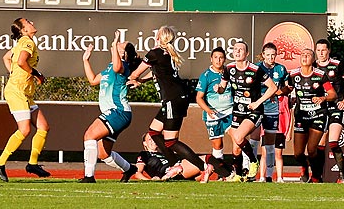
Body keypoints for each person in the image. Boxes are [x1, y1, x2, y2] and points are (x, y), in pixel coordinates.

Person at [142, 26, 204, 176]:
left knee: (171, 141)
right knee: (154, 131)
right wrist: (140, 81)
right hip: (177, 98)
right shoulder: (167, 53)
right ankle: (174, 164)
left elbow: (137, 71)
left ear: (159, 36)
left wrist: (131, 78)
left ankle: (203, 166)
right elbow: (159, 75)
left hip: (172, 99)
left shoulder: (154, 53)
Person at [0, 16, 50, 180]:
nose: (32, 22)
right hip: (17, 91)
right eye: (28, 23)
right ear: (24, 30)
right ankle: (0, 162)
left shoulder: (22, 42)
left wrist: (13, 73)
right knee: (24, 129)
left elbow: (6, 58)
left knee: (43, 127)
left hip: (25, 92)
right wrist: (37, 74)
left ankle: (32, 164)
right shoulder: (27, 42)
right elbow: (21, 61)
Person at [80, 43, 142, 182]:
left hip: (118, 112)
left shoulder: (123, 66)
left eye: (120, 47)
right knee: (103, 154)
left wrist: (115, 44)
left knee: (89, 135)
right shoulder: (109, 68)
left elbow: (117, 67)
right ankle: (129, 169)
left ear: (124, 54)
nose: (116, 46)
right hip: (117, 114)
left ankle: (88, 177)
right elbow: (93, 80)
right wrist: (86, 60)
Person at [221, 39, 278, 181]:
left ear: (247, 53)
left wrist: (258, 102)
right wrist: (219, 89)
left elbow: (273, 88)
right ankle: (239, 175)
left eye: (241, 49)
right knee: (235, 148)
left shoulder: (255, 70)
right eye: (235, 49)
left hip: (254, 111)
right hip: (238, 111)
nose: (237, 51)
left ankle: (253, 161)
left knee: (239, 137)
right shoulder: (229, 69)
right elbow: (222, 87)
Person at [307, 39, 344, 181]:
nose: (321, 53)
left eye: (323, 50)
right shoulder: (313, 66)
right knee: (318, 145)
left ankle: (342, 176)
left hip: (336, 107)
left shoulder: (337, 65)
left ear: (329, 50)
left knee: (333, 142)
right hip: (320, 109)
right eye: (318, 50)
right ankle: (317, 176)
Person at [194, 46, 239, 182]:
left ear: (224, 59)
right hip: (213, 115)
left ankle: (240, 170)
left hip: (230, 112)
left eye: (221, 58)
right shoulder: (206, 76)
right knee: (218, 146)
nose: (218, 60)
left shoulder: (230, 73)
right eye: (216, 58)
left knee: (238, 140)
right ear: (211, 59)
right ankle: (222, 173)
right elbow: (199, 98)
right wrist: (208, 110)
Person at [286, 54, 334, 181]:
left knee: (312, 149)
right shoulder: (293, 75)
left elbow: (332, 94)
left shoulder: (320, 75)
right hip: (301, 116)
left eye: (308, 55)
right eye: (303, 55)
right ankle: (304, 166)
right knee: (297, 154)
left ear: (313, 59)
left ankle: (316, 176)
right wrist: (278, 93)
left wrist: (323, 98)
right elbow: (288, 89)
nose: (305, 57)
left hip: (318, 115)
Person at [256, 42, 291, 182]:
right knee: (254, 140)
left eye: (273, 55)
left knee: (270, 145)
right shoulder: (257, 68)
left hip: (273, 109)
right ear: (263, 55)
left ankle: (270, 176)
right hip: (257, 107)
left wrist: (278, 93)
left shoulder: (281, 69)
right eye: (268, 55)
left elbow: (288, 87)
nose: (271, 57)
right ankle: (254, 174)